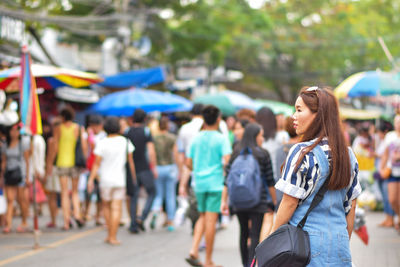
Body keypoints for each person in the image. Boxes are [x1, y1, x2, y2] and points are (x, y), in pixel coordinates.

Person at [271, 86, 361, 266]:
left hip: (305, 246)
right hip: (340, 244)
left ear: (317, 115)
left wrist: (271, 240)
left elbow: (288, 203)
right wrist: (341, 243)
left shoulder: (302, 152)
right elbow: (351, 208)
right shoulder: (348, 155)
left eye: (299, 110)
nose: (293, 116)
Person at [221, 123, 276, 267]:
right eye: (261, 135)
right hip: (258, 200)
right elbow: (270, 181)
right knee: (255, 234)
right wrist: (275, 202)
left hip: (238, 200)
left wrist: (224, 201)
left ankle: (245, 264)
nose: (262, 138)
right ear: (255, 136)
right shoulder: (263, 154)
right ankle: (252, 264)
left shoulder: (236, 152)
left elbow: (227, 179)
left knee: (243, 232)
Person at [184, 105, 232, 267]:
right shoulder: (221, 138)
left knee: (202, 217)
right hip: (215, 184)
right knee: (211, 221)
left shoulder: (196, 138)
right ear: (218, 119)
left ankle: (194, 249)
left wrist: (198, 169)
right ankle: (208, 260)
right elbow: (227, 162)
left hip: (199, 183)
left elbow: (188, 163)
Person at [88, 116, 136, 245]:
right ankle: (113, 236)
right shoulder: (125, 142)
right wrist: (133, 178)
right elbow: (130, 162)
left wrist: (91, 179)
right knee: (116, 208)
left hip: (105, 180)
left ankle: (109, 234)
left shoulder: (102, 142)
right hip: (120, 179)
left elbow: (96, 164)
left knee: (106, 207)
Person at [51, 107, 86, 230]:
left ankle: (66, 222)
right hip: (75, 164)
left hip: (62, 163)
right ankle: (77, 213)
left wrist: (50, 163)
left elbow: (55, 147)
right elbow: (84, 146)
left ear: (63, 117)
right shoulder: (78, 128)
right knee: (75, 192)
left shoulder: (58, 129)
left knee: (64, 193)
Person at [125, 108, 158, 233]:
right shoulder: (146, 131)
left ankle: (133, 223)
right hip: (144, 168)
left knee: (134, 196)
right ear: (145, 119)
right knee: (152, 192)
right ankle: (142, 217)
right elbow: (151, 151)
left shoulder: (127, 131)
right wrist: (153, 167)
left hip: (131, 168)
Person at [150, 116, 179, 231]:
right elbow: (176, 154)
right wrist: (179, 169)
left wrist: (154, 167)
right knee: (170, 196)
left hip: (158, 168)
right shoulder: (172, 138)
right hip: (170, 167)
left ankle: (156, 210)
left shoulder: (154, 138)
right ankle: (170, 221)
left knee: (159, 194)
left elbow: (152, 154)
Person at [1, 123, 31, 233]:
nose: (14, 133)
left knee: (21, 199)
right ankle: (8, 224)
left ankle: (24, 221)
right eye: (12, 131)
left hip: (20, 174)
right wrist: (2, 176)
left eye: (16, 131)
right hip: (9, 174)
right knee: (10, 200)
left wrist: (27, 176)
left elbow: (27, 161)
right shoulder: (6, 144)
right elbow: (4, 161)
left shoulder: (22, 143)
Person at [83, 115, 106, 226]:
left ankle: (98, 216)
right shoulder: (85, 135)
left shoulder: (103, 137)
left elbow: (94, 147)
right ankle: (85, 213)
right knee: (88, 193)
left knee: (100, 195)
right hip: (89, 167)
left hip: (100, 169)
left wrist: (90, 136)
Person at [379, 114, 400, 231]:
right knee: (392, 199)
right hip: (391, 170)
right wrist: (382, 168)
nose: (398, 124)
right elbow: (385, 154)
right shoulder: (390, 136)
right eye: (397, 122)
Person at [373, 120, 394, 227]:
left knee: (388, 197)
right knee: (385, 196)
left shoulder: (389, 140)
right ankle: (387, 218)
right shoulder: (383, 140)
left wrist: (376, 155)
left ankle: (390, 219)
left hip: (387, 172)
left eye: (379, 132)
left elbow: (386, 155)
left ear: (385, 131)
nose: (378, 134)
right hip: (382, 172)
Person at [44, 119, 61, 228]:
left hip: (54, 170)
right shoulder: (65, 140)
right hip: (64, 168)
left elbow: (50, 158)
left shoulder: (52, 141)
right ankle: (67, 219)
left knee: (52, 197)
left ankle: (54, 220)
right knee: (64, 196)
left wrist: (47, 173)